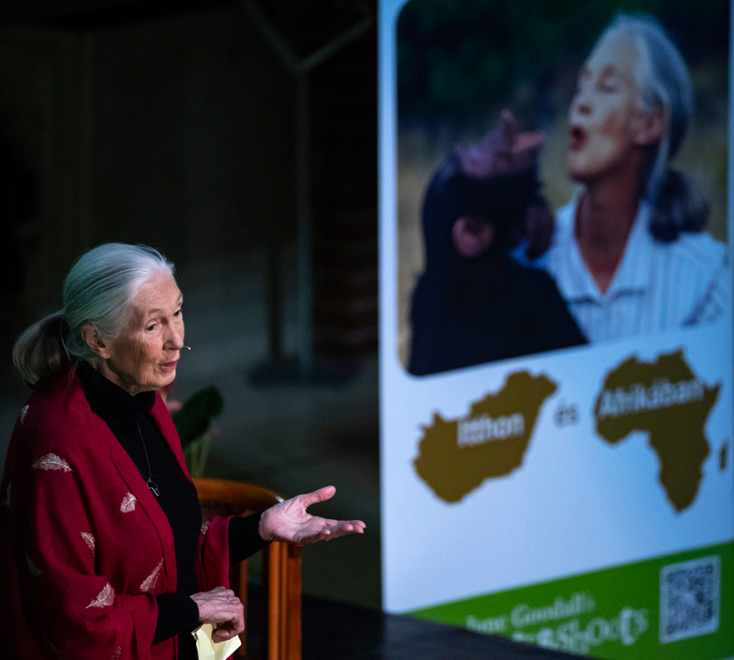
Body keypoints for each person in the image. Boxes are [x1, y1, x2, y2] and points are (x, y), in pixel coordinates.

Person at [0, 243, 366, 660]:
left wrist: (262, 527)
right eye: (152, 326)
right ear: (97, 340)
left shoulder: (144, 399)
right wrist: (192, 609)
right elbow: (74, 621)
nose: (177, 340)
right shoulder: (56, 444)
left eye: (177, 312)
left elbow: (164, 548)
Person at [541, 13, 729, 341]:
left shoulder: (708, 282)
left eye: (606, 87)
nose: (580, 102)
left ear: (650, 124)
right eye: (582, 85)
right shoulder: (529, 260)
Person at [408, 112, 587, 376]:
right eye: (472, 157)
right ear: (472, 235)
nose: (490, 142)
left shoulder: (428, 299)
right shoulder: (532, 294)